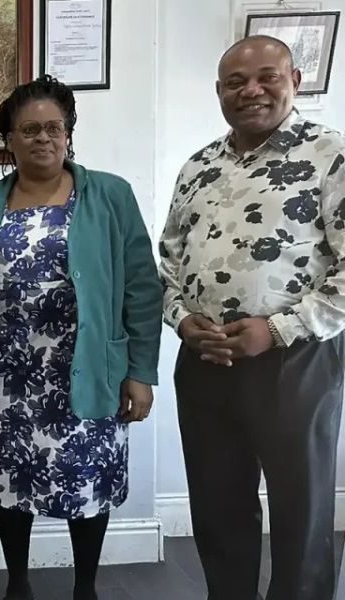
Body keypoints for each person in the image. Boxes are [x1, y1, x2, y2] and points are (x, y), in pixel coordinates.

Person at [0, 75, 162, 600]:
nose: (43, 138)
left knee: (87, 484)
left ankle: (83, 587)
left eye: (53, 128)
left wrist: (140, 372)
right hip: (6, 378)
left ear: (68, 133)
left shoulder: (110, 195)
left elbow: (141, 286)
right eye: (29, 130)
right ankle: (17, 583)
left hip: (87, 372)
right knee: (9, 482)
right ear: (9, 140)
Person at [159, 35, 345, 600]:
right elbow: (167, 259)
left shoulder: (329, 155)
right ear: (220, 92)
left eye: (268, 77)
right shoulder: (199, 166)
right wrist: (182, 319)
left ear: (296, 80)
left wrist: (278, 329)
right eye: (236, 82)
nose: (252, 91)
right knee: (217, 507)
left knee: (302, 510)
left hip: (295, 361)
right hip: (205, 361)